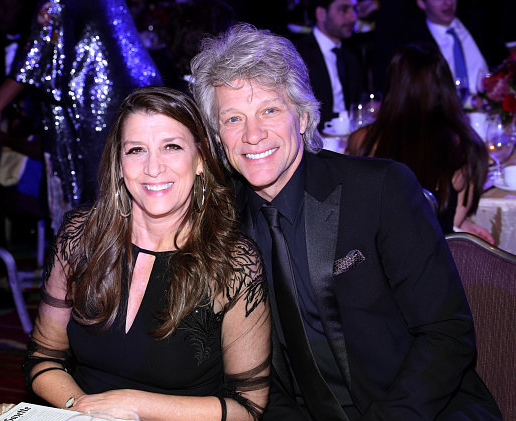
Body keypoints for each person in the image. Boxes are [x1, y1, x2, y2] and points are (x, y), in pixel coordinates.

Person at [190, 23, 501, 420]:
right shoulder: (225, 225)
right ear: (218, 137)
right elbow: (260, 380)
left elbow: (446, 335)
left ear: (302, 117)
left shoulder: (379, 190)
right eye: (233, 119)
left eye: (270, 109)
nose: (253, 134)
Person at [21, 86, 271, 420]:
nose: (153, 168)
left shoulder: (233, 263)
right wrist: (81, 410)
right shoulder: (80, 236)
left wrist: (134, 405)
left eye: (171, 146)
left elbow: (248, 407)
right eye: (136, 150)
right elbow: (43, 356)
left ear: (200, 159)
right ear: (119, 164)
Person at [0, 0, 162, 230]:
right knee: (121, 190)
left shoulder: (55, 2)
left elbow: (33, 57)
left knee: (93, 195)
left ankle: (92, 257)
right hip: (137, 100)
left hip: (92, 108)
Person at [346, 43, 493, 242]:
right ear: (446, 88)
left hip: (377, 263)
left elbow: (349, 206)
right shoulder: (464, 147)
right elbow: (451, 226)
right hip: (432, 266)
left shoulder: (362, 140)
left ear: (392, 87)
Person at [405, 0, 508, 99]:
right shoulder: (416, 47)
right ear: (421, 3)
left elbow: (505, 64)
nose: (448, 2)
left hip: (495, 111)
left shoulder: (479, 23)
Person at [294, 0, 363, 128]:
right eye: (344, 9)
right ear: (321, 14)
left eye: (354, 9)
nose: (353, 17)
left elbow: (358, 101)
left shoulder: (351, 55)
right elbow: (301, 112)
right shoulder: (298, 56)